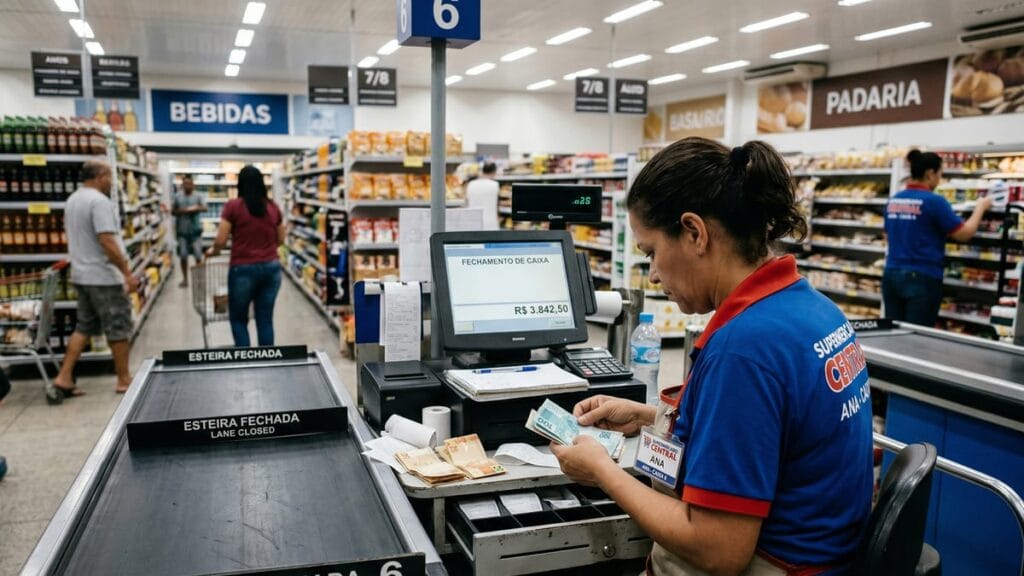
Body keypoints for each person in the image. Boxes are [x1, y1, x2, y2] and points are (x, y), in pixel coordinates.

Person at [550, 138, 874, 575]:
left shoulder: (744, 349)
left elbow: (717, 549)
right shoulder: (812, 308)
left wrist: (602, 472)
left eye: (651, 253)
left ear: (694, 233)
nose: (655, 274)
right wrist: (650, 416)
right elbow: (776, 433)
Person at [54, 160, 140, 395]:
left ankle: (64, 376)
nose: (111, 181)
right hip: (103, 276)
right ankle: (124, 379)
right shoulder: (99, 202)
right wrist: (127, 274)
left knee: (84, 326)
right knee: (118, 326)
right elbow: (107, 241)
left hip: (81, 273)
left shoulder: (73, 199)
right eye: (109, 176)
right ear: (100, 176)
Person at [883, 149, 994, 327]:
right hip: (921, 278)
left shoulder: (894, 200)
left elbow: (886, 234)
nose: (940, 179)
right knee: (917, 336)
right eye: (940, 174)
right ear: (930, 173)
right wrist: (981, 207)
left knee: (893, 333)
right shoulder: (934, 201)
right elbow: (964, 234)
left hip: (891, 274)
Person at [205, 165, 284, 347]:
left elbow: (221, 239)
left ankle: (246, 361)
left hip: (243, 270)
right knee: (265, 319)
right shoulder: (272, 207)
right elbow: (280, 239)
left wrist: (213, 252)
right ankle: (267, 361)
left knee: (239, 319)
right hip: (271, 268)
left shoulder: (233, 206)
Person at [172, 175, 206, 288]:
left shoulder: (198, 196)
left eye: (189, 183)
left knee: (198, 256)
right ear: (182, 185)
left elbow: (205, 208)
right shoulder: (177, 196)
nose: (187, 186)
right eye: (185, 183)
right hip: (182, 232)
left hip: (196, 232)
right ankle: (185, 279)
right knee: (183, 256)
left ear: (193, 184)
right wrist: (183, 211)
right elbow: (173, 211)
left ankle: (199, 280)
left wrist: (196, 208)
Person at [466, 162, 500, 230]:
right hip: (491, 223)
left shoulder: (471, 184)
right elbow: (497, 205)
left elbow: (466, 202)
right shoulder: (495, 185)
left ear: (483, 170)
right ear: (494, 172)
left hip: (473, 222)